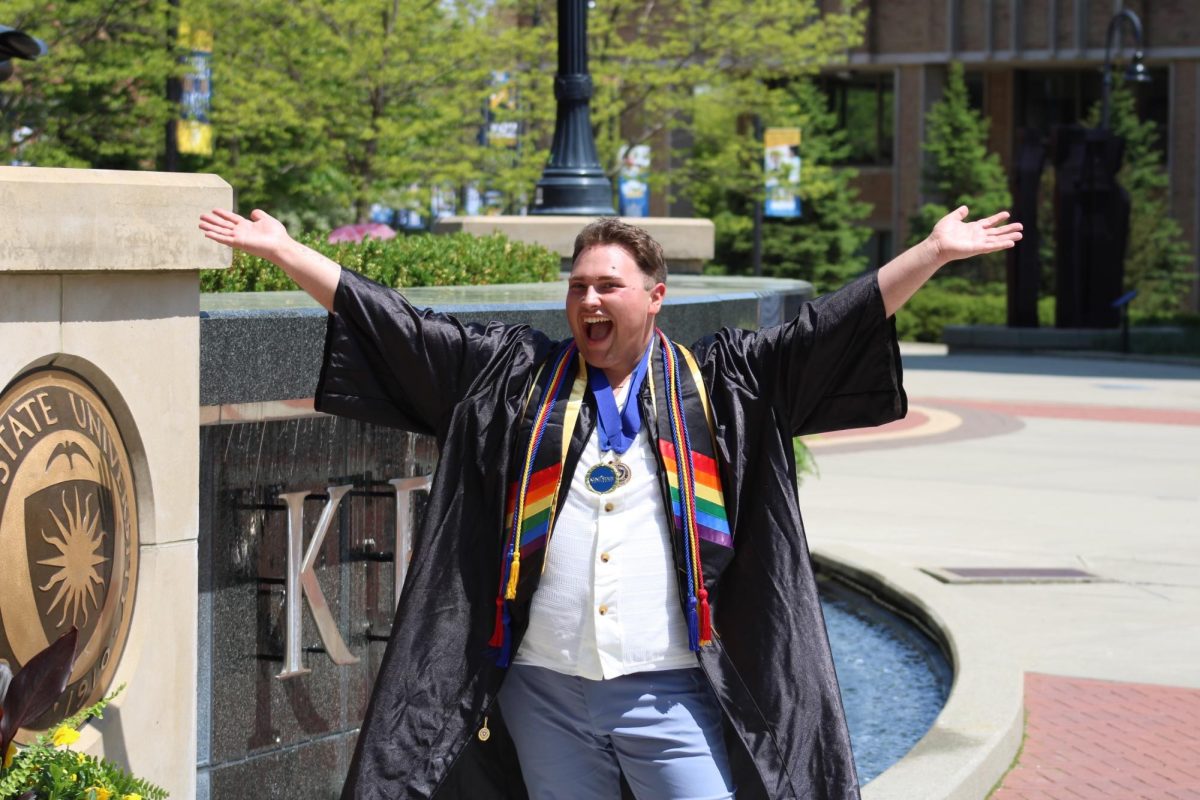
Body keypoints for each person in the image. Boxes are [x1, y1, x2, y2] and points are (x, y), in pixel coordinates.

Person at [200, 206, 1021, 800]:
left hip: (667, 689)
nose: (590, 301)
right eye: (579, 286)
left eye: (609, 287)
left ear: (655, 297)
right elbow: (403, 329)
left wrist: (930, 253)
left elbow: (829, 328)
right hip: (543, 689)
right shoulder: (516, 380)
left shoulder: (718, 384)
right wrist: (287, 252)